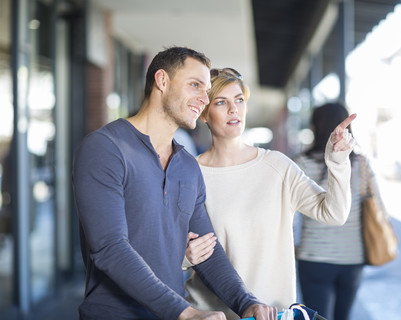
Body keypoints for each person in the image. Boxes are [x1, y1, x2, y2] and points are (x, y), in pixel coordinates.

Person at [72, 47, 276, 320]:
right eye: (195, 85)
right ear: (162, 81)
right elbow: (109, 248)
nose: (204, 98)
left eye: (206, 91)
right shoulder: (105, 148)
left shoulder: (188, 166)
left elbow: (208, 250)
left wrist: (245, 302)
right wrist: (185, 312)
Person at [183, 68, 357, 319]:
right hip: (210, 314)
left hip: (273, 313)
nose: (234, 109)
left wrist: (338, 164)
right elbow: (166, 245)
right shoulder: (190, 173)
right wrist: (184, 256)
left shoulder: (278, 166)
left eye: (239, 100)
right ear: (204, 114)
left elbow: (334, 214)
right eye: (221, 102)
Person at [294, 102, 384, 320]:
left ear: (315, 127)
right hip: (351, 258)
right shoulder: (361, 164)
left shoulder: (301, 163)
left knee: (315, 317)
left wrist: (291, 244)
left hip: (313, 255)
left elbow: (289, 214)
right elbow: (378, 206)